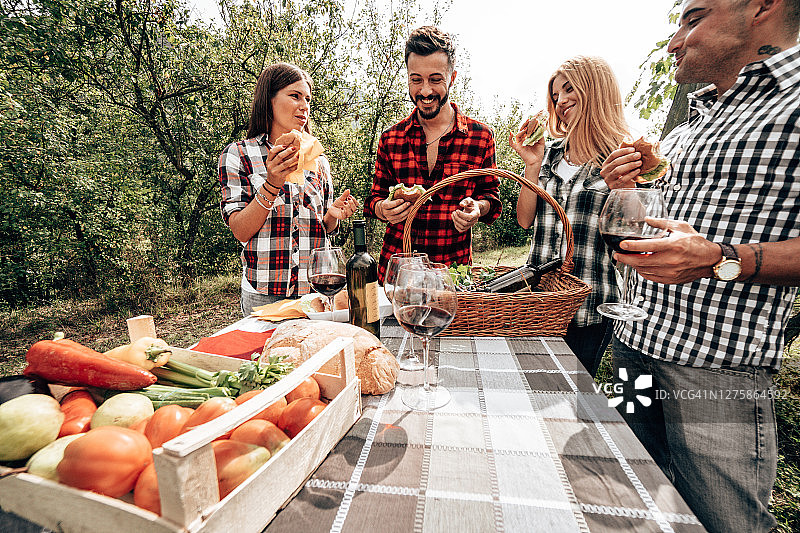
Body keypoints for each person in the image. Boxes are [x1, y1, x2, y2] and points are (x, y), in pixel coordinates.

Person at [599, 0, 800, 531]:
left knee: (722, 522)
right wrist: (630, 193)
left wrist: (722, 259)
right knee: (634, 511)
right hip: (637, 344)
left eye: (694, 18)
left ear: (762, 6)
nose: (673, 41)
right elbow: (678, 222)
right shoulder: (705, 111)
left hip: (715, 370)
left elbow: (712, 247)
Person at [509, 56, 629, 377]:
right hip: (539, 302)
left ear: (596, 91)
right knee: (534, 384)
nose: (560, 101)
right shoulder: (547, 155)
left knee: (570, 393)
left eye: (568, 89)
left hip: (589, 306)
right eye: (555, 94)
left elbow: (632, 238)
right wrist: (531, 166)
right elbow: (524, 220)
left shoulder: (621, 160)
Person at [219, 62, 358, 316]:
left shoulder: (318, 159)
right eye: (294, 96)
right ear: (269, 100)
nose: (304, 106)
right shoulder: (239, 154)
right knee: (268, 358)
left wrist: (332, 216)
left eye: (307, 99)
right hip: (265, 294)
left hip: (315, 293)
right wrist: (272, 183)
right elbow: (240, 230)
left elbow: (321, 228)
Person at [363, 26, 502, 282]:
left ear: (452, 77)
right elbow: (373, 200)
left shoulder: (480, 136)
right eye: (416, 80)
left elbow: (491, 199)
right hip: (395, 279)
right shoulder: (390, 138)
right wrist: (383, 209)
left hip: (450, 279)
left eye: (435, 79)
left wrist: (477, 209)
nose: (425, 91)